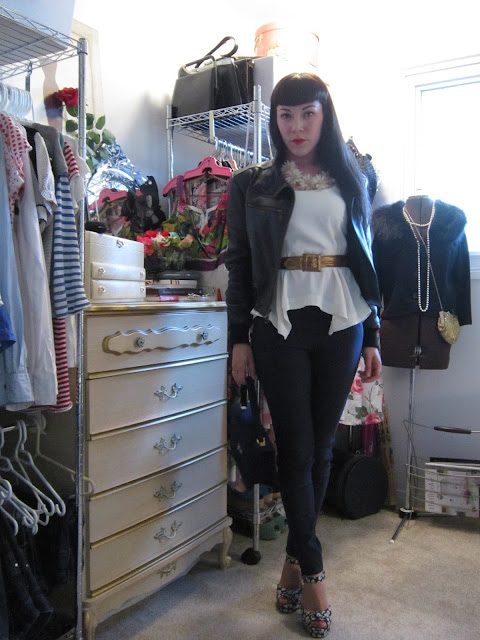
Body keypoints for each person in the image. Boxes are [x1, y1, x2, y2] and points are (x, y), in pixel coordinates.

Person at [225, 73, 382, 638]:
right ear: (275, 121)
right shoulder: (250, 184)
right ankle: (314, 572)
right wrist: (239, 337)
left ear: (324, 115)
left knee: (320, 449)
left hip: (343, 320)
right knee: (294, 448)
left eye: (307, 114)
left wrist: (372, 334)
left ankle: (292, 560)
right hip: (278, 322)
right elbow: (240, 264)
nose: (296, 126)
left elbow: (365, 257)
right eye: (285, 115)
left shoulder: (354, 176)